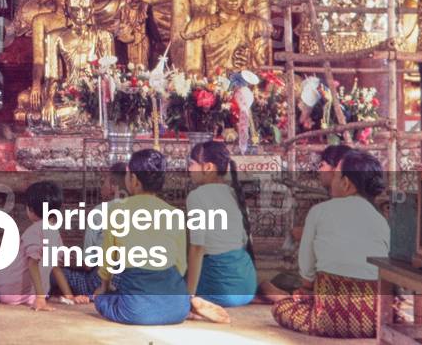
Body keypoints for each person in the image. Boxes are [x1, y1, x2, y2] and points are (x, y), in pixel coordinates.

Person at [92, 149, 228, 326]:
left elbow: (108, 260)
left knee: (101, 300)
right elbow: (181, 265)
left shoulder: (117, 211)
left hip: (135, 311)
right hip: (177, 308)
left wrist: (103, 288)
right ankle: (187, 303)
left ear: (133, 180)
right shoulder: (174, 214)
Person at [272, 149, 390, 338]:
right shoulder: (381, 221)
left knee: (280, 308)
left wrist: (307, 290)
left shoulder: (319, 212)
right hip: (374, 322)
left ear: (346, 184)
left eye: (336, 175)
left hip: (328, 320)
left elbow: (306, 276)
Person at [0, 180, 77, 309]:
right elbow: (56, 268)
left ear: (30, 209)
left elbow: (32, 263)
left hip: (12, 292)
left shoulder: (34, 231)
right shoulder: (55, 234)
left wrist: (40, 299)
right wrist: (69, 296)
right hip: (32, 295)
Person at [186, 141, 257, 307]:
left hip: (220, 289)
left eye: (192, 164)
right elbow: (244, 241)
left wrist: (188, 297)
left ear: (208, 167)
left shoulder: (196, 196)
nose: (189, 169)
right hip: (247, 287)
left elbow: (197, 248)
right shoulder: (234, 193)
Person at [60, 162, 127, 298]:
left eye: (104, 182)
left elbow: (88, 264)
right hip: (131, 281)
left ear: (113, 186)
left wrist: (69, 262)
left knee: (55, 271)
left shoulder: (100, 211)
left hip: (104, 281)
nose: (101, 187)